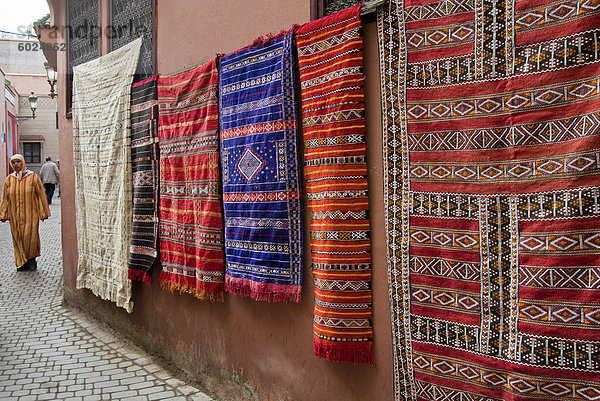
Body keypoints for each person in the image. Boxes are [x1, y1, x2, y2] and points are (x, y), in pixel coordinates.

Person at [0, 154, 50, 271]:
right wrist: (3, 214)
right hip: (15, 216)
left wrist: (43, 212)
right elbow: (5, 199)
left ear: (22, 162)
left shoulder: (33, 177)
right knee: (18, 238)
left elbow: (41, 195)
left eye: (18, 162)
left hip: (30, 215)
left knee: (30, 237)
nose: (16, 164)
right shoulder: (9, 180)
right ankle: (23, 262)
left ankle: (31, 260)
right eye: (13, 162)